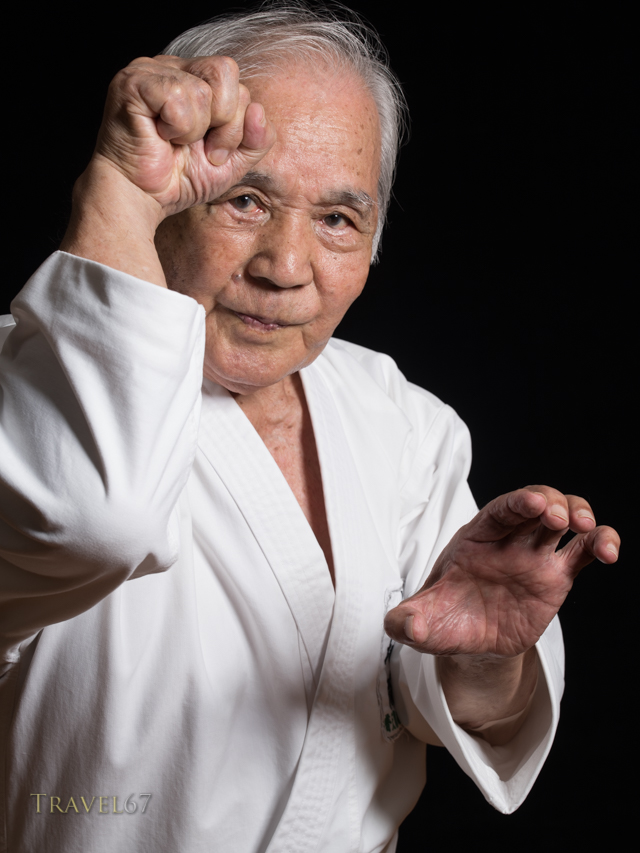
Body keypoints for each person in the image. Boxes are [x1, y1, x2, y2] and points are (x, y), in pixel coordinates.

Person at [0, 3, 620, 852]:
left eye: (337, 220)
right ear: (168, 191)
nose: (286, 268)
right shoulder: (29, 387)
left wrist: (483, 657)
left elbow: (444, 712)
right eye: (246, 200)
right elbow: (89, 517)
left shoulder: (402, 422)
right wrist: (115, 192)